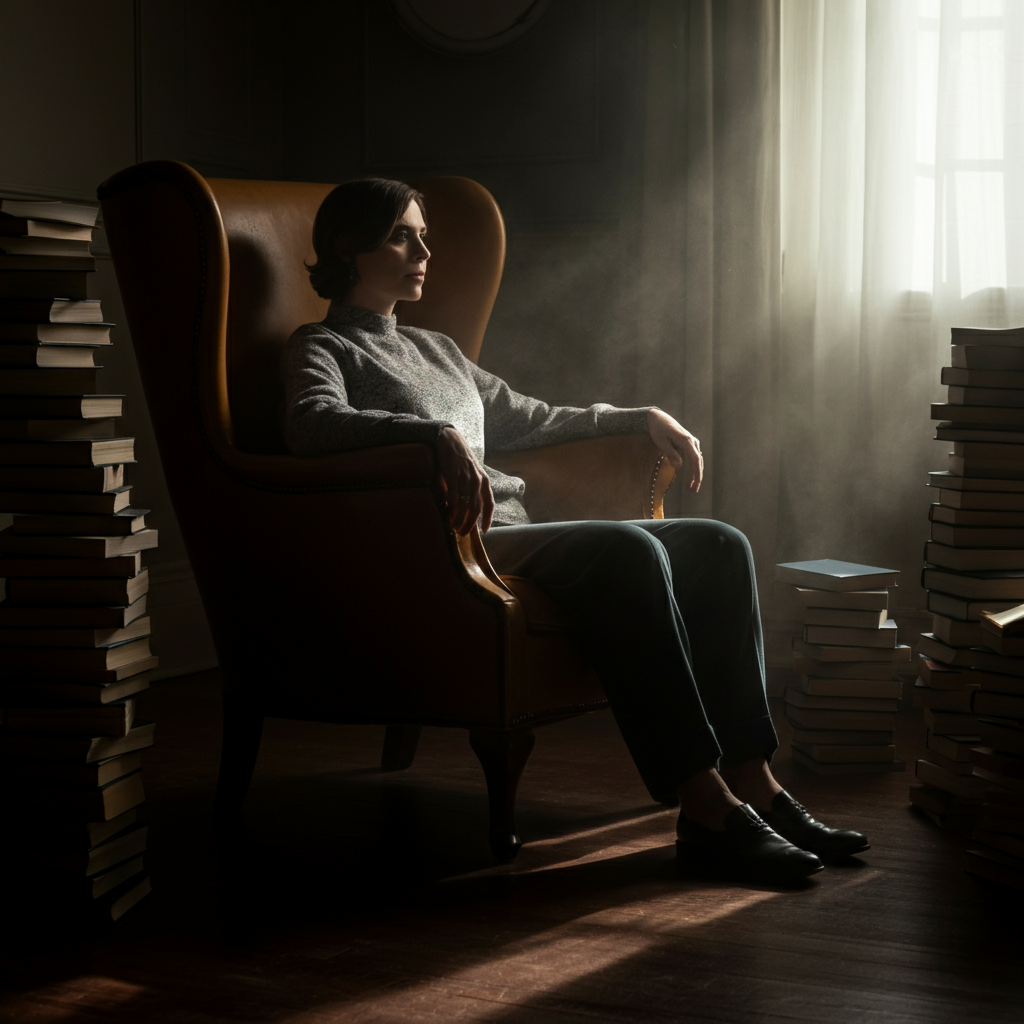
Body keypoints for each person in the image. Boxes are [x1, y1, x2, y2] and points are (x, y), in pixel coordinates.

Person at [282, 178, 869, 884]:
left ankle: (756, 783)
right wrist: (432, 434)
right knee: (625, 548)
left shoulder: (437, 349)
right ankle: (704, 806)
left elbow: (530, 418)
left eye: (424, 234)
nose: (425, 250)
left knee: (718, 543)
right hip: (448, 548)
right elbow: (310, 425)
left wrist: (637, 415)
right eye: (404, 235)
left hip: (512, 533)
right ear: (350, 246)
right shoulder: (321, 346)